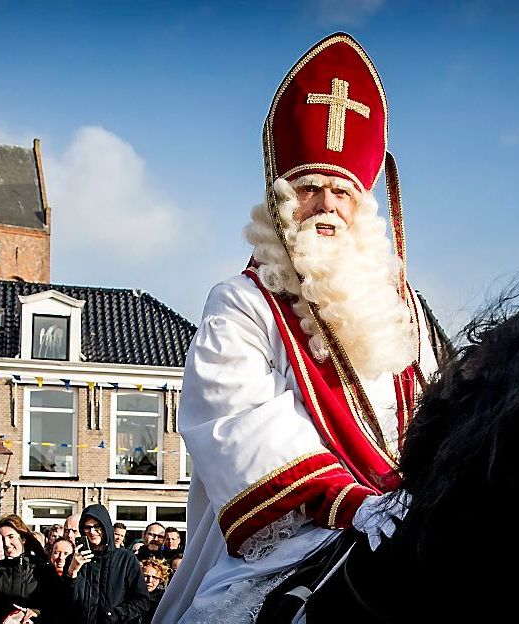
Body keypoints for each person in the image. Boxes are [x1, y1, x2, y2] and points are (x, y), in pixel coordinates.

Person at [156, 33, 451, 623]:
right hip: (286, 535)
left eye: (341, 190)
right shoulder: (241, 303)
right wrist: (352, 504)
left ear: (362, 204)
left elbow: (441, 407)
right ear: (282, 200)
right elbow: (236, 420)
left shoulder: (407, 308)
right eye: (309, 187)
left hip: (406, 517)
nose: (325, 204)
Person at [65, 504, 149, 624]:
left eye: (97, 526)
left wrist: (115, 615)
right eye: (87, 527)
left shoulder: (125, 559)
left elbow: (142, 600)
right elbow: (63, 601)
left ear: (105, 527)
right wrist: (72, 572)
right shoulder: (74, 559)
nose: (92, 532)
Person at [0, 515, 62, 623]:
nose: (6, 543)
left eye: (11, 537)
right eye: (1, 538)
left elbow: (58, 605)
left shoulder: (42, 568)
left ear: (23, 538)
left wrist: (37, 612)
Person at [138, 558, 169, 624]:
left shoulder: (163, 599)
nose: (150, 580)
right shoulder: (130, 594)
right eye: (146, 576)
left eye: (155, 577)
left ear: (160, 580)